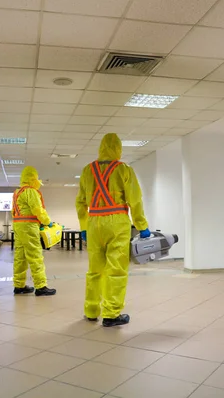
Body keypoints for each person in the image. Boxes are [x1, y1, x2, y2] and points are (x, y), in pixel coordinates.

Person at [76, 133, 150, 327]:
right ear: (118, 148)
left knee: (94, 270)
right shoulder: (124, 169)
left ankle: (91, 310)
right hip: (117, 222)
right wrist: (142, 226)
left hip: (93, 222)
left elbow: (81, 202)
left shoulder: (87, 170)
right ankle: (111, 314)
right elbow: (135, 200)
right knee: (116, 269)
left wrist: (83, 227)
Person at [12, 166, 56, 296]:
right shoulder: (31, 191)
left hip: (18, 226)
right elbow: (38, 210)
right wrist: (47, 222)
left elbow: (13, 211)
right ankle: (41, 286)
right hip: (29, 226)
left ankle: (18, 285)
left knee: (20, 257)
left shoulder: (17, 192)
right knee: (35, 255)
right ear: (33, 178)